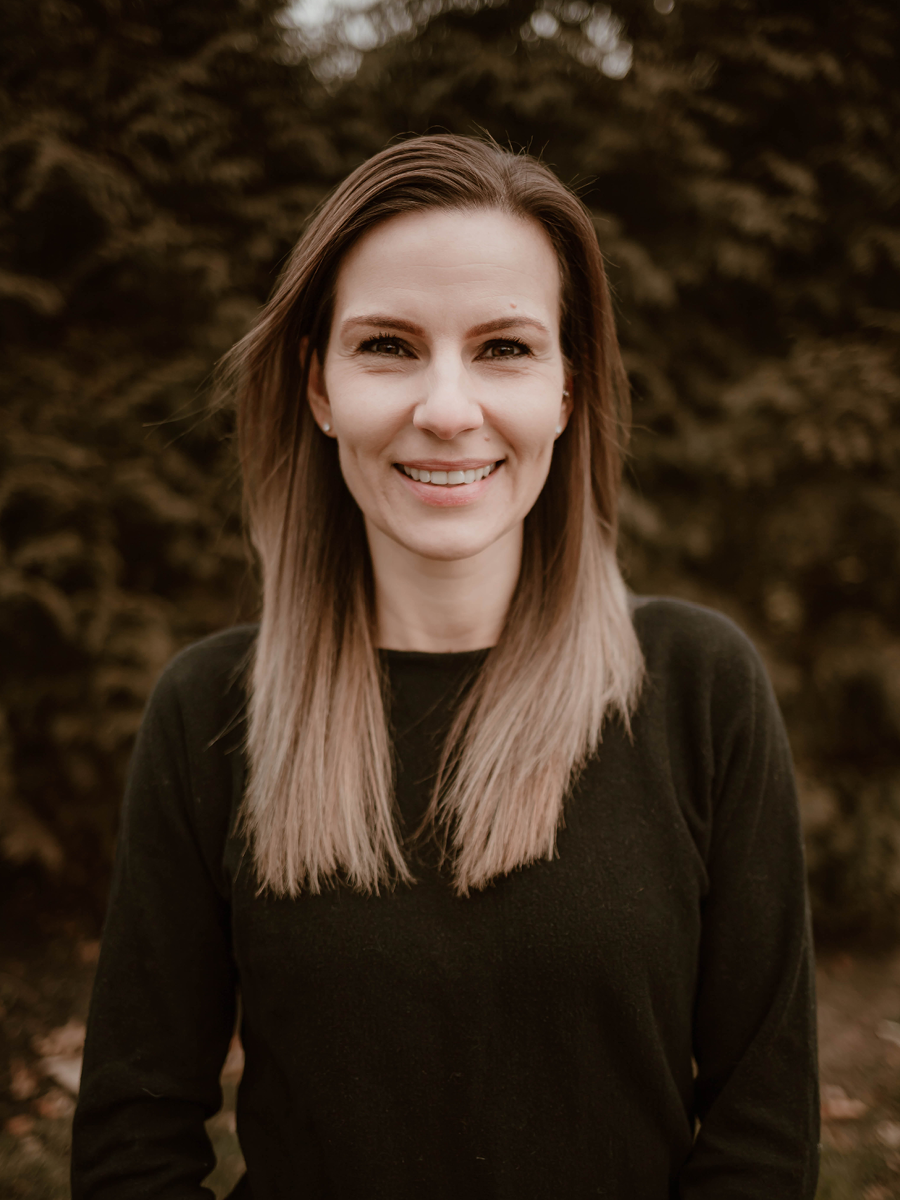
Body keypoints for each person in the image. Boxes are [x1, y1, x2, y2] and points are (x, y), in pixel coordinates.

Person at [71, 134, 819, 1198]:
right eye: (388, 345)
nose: (448, 407)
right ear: (319, 384)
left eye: (505, 348)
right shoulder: (210, 710)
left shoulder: (701, 687)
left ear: (568, 387)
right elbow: (131, 1141)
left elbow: (763, 1135)